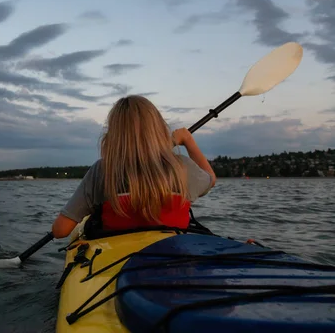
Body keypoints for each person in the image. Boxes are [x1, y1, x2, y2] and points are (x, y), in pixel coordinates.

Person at [51, 95, 216, 239]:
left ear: (113, 135)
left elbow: (60, 230)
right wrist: (189, 141)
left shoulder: (102, 170)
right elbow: (211, 179)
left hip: (118, 264)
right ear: (159, 130)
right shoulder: (182, 167)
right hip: (172, 260)